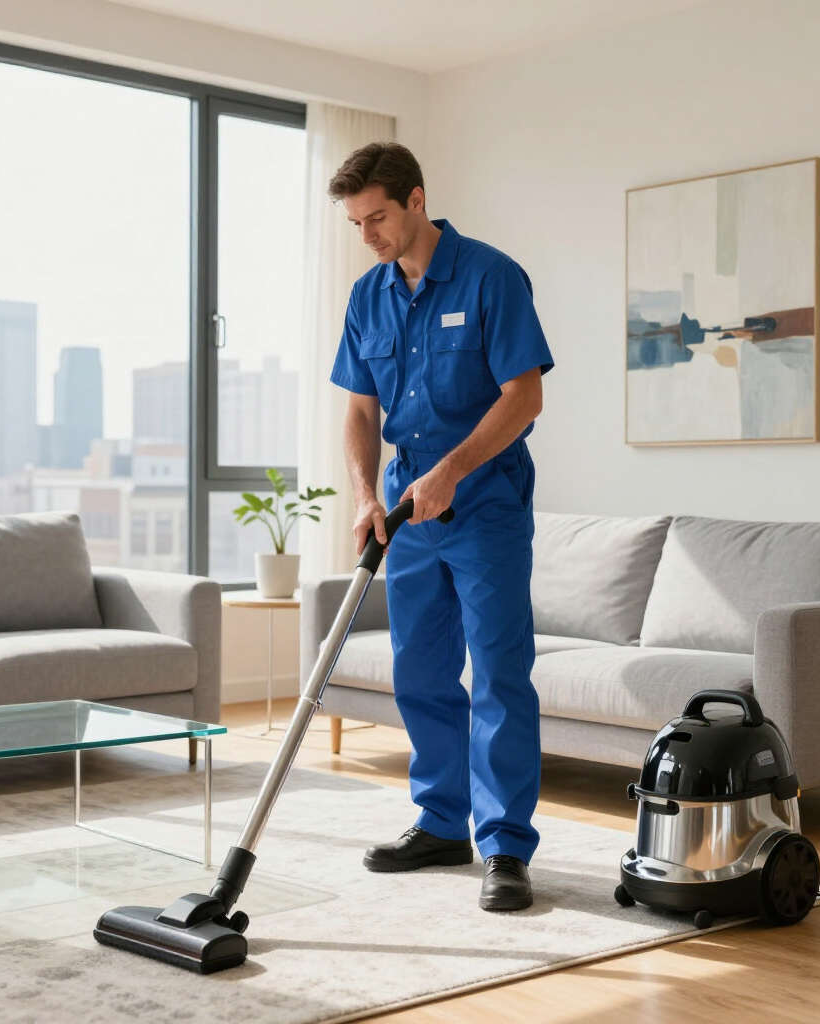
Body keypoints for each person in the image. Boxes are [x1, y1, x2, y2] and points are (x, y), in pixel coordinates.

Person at [327, 142, 554, 911]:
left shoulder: (492, 276)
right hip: (405, 514)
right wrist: (365, 494)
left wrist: (453, 469)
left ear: (417, 200)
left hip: (485, 505)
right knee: (418, 671)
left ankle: (505, 846)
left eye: (379, 216)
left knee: (496, 672)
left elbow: (524, 398)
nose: (370, 235)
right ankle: (441, 822)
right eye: (357, 222)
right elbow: (360, 411)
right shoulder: (368, 296)